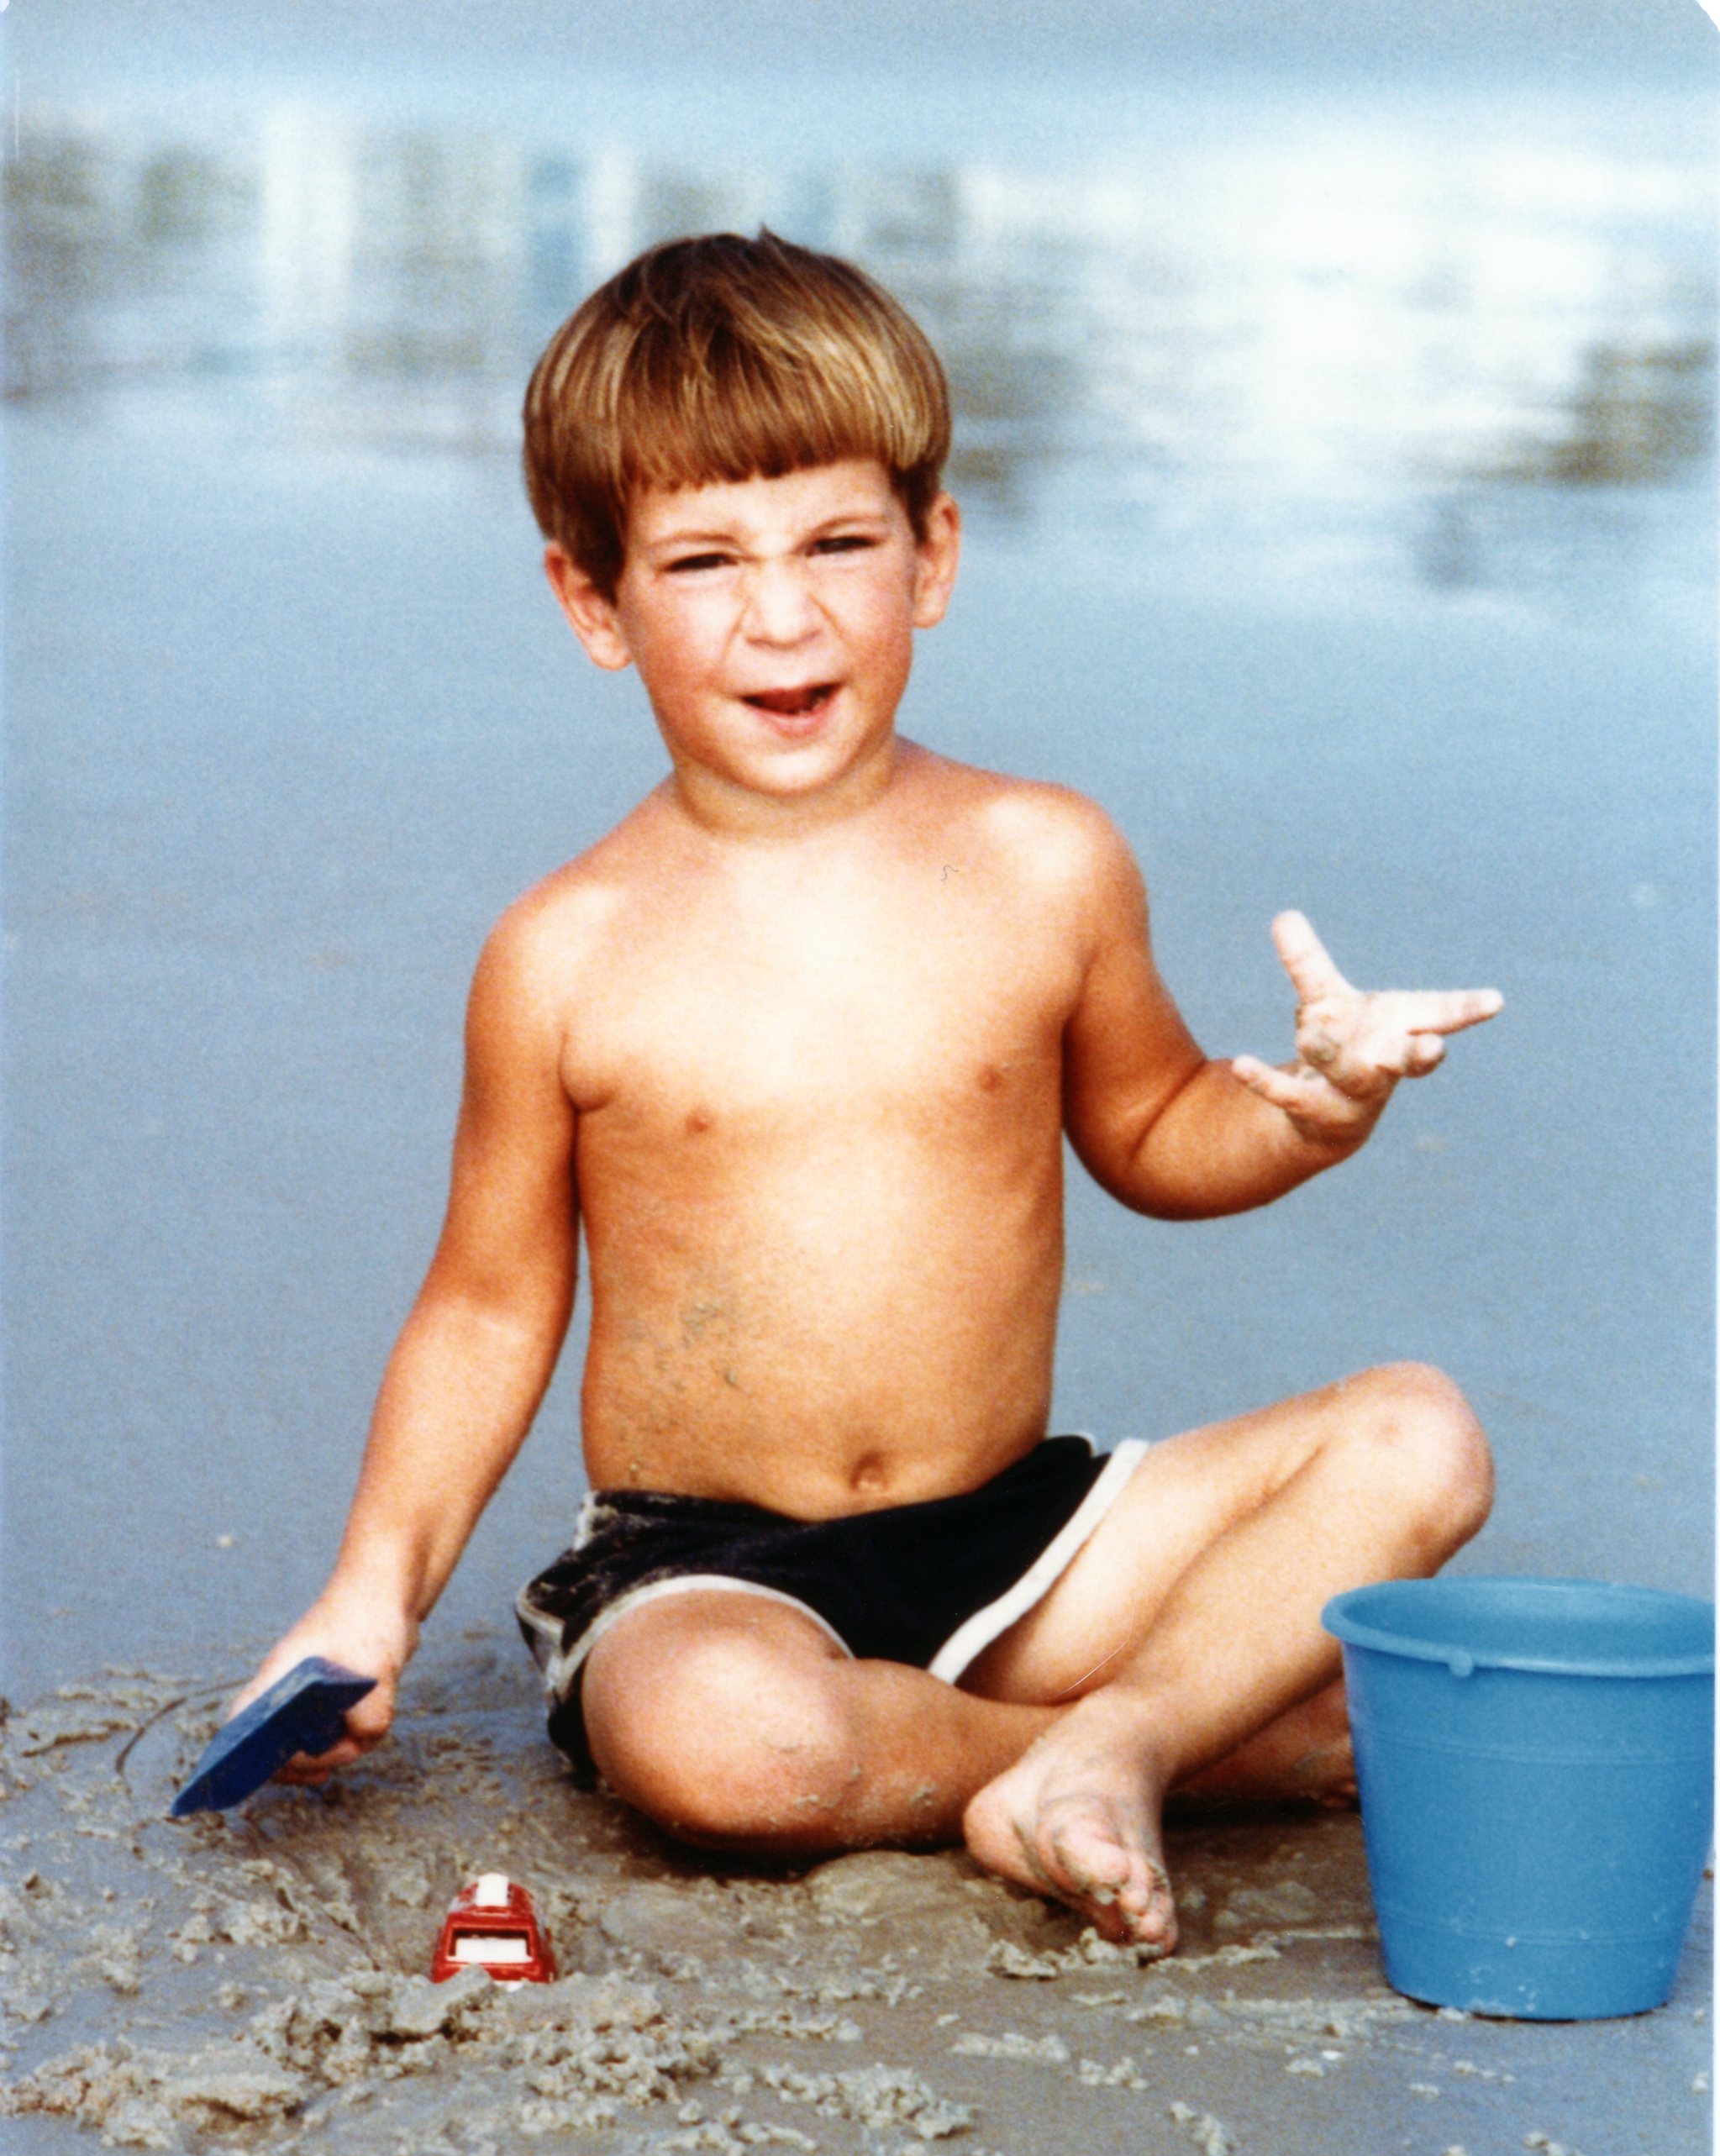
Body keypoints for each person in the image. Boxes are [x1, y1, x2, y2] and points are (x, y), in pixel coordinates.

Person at [231, 230, 1502, 1954]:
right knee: (720, 1746)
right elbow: (485, 1305)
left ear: (933, 555)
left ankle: (1118, 1738)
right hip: (712, 1570)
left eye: (840, 542)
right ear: (592, 603)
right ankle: (1179, 1748)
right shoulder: (567, 952)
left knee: (1416, 1433)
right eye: (702, 562)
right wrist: (364, 1604)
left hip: (1022, 1536)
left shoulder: (1041, 860)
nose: (783, 611)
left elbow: (1150, 1132)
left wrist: (1304, 1112)